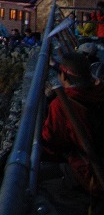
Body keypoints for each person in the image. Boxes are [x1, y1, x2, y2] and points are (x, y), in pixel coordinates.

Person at [41, 52, 104, 205]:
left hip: (93, 173)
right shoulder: (99, 91)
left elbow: (51, 143)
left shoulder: (63, 104)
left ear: (63, 75)